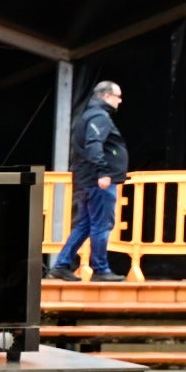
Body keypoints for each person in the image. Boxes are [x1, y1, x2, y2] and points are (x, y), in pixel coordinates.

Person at [47, 80, 128, 282]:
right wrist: (102, 172)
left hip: (87, 180)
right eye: (118, 96)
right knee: (101, 225)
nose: (120, 101)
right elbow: (94, 145)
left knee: (84, 224)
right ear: (107, 96)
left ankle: (61, 265)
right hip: (97, 182)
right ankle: (101, 270)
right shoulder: (99, 117)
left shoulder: (91, 115)